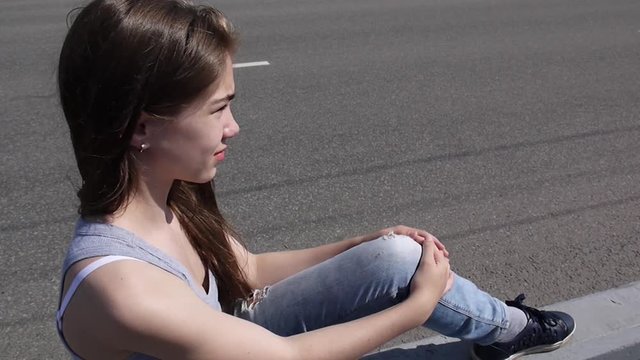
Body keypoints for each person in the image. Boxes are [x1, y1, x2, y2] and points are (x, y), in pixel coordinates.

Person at [55, 1, 575, 359]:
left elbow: (249, 269)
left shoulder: (169, 193)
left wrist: (360, 243)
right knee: (404, 269)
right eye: (219, 109)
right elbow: (284, 356)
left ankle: (503, 328)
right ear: (142, 125)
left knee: (393, 254)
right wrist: (416, 306)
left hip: (238, 338)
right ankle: (506, 329)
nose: (233, 127)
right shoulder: (120, 288)